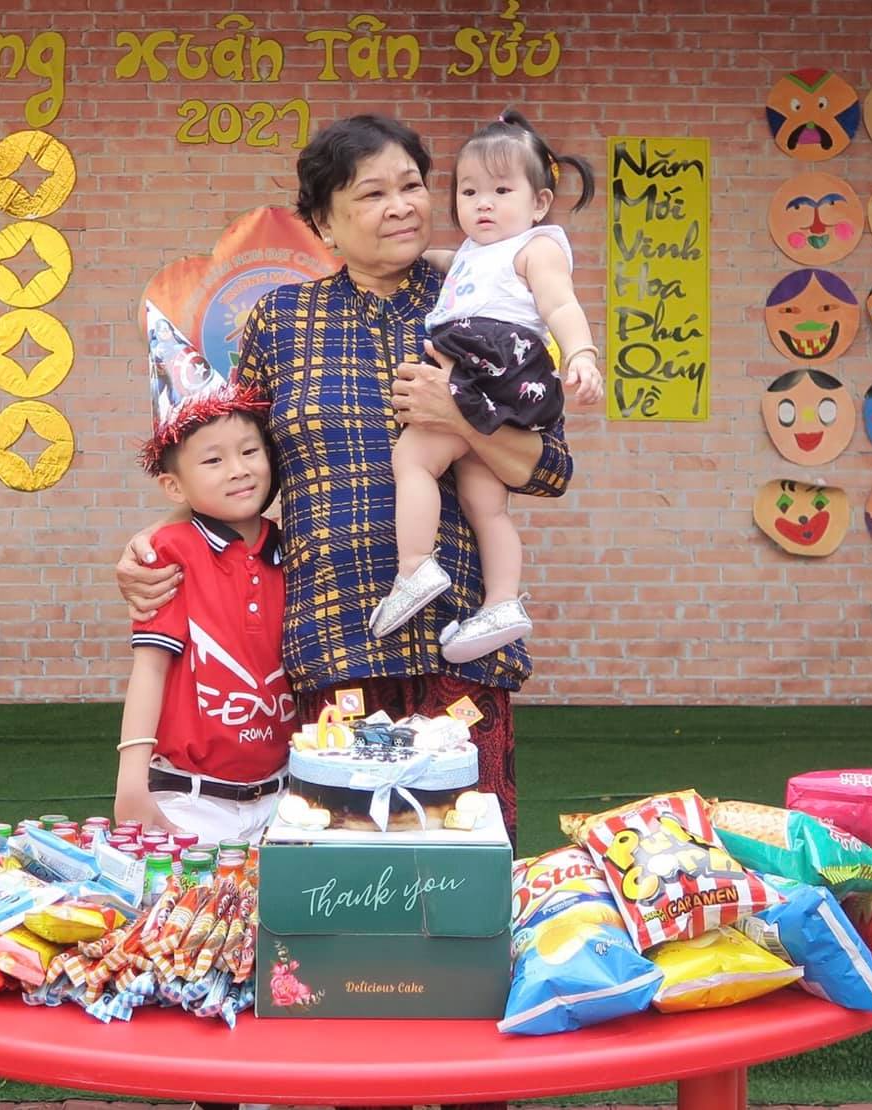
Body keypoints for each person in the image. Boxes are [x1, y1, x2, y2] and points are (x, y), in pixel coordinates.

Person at [116, 114, 574, 844]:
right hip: (335, 640)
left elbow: (549, 468)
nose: (401, 207)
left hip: (461, 645)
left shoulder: (484, 300)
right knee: (345, 872)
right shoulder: (281, 322)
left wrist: (459, 417)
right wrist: (161, 541)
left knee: (467, 864)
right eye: (372, 194)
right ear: (324, 222)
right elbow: (239, 470)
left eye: (411, 186)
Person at [369, 110, 602, 661]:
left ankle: (415, 567)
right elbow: (452, 263)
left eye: (501, 190)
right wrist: (411, 257)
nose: (483, 204)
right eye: (469, 191)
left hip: (491, 363)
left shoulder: (538, 248)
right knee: (485, 501)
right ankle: (501, 602)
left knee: (414, 459)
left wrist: (582, 354)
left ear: (539, 202)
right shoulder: (475, 253)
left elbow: (561, 305)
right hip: (501, 377)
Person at [114, 386, 295, 843]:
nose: (239, 470)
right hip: (192, 801)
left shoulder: (292, 547)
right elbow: (150, 669)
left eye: (250, 452)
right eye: (213, 460)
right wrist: (131, 779)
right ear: (174, 487)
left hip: (285, 798)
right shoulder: (171, 552)